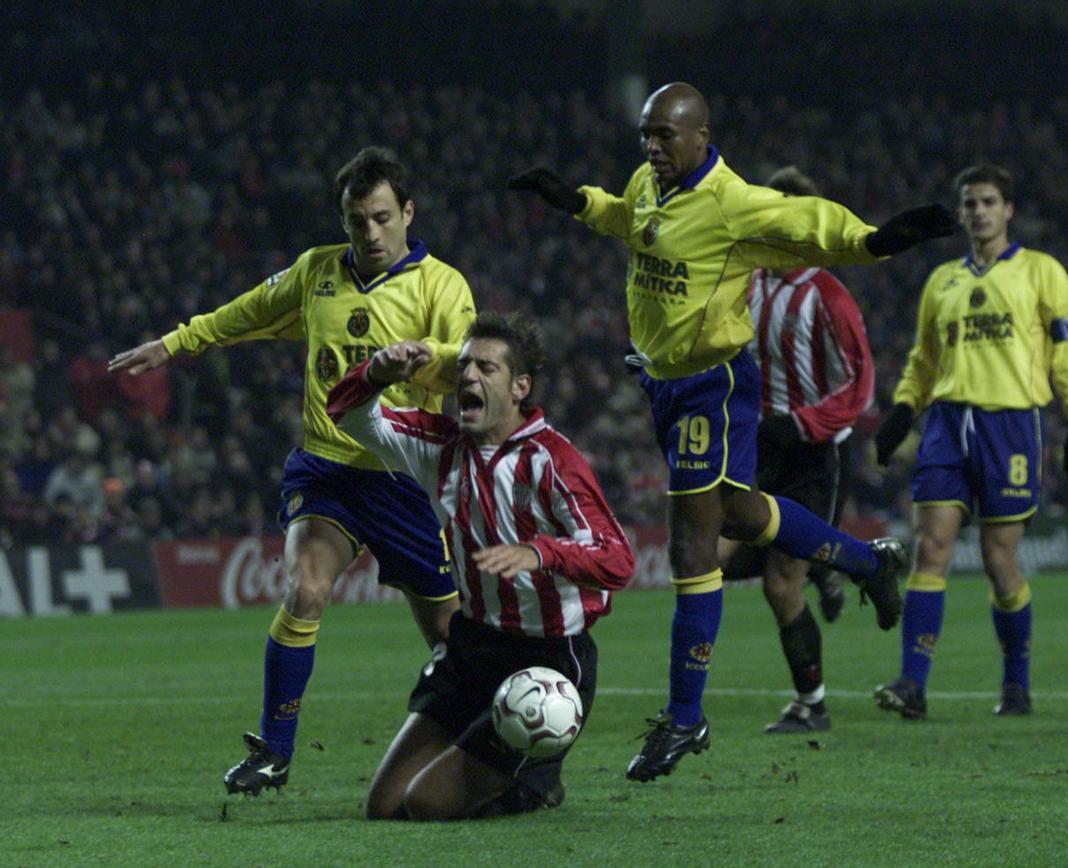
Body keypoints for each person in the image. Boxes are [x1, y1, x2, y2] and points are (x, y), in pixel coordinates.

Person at [508, 81, 955, 781]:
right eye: (646, 136)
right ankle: (868, 562)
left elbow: (811, 223)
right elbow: (630, 221)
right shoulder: (649, 183)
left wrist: (876, 240)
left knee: (693, 549)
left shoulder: (733, 202)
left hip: (711, 387)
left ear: (700, 134)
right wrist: (577, 201)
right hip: (663, 382)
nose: (652, 148)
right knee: (745, 512)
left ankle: (686, 718)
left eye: (664, 137)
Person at [108, 146, 477, 795]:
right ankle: (273, 752)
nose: (369, 233)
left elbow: (467, 364)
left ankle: (500, 750)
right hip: (326, 471)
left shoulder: (441, 285)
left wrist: (421, 358)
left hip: (403, 479)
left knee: (451, 640)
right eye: (357, 220)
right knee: (305, 591)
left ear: (408, 213)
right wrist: (172, 343)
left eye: (382, 217)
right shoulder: (317, 274)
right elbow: (244, 313)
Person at [326, 311, 633, 820]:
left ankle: (535, 782)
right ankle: (500, 758)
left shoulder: (552, 459)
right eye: (464, 365)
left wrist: (540, 552)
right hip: (474, 648)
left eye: (486, 368)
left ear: (519, 387)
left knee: (424, 804)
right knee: (383, 807)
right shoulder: (440, 448)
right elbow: (349, 414)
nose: (467, 376)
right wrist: (376, 374)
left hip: (548, 660)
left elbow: (617, 558)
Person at [872, 163, 1068, 720]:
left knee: (999, 560)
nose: (978, 212)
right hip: (948, 422)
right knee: (931, 549)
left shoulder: (1042, 272)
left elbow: (1067, 351)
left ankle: (1016, 684)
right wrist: (902, 409)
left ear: (1008, 209)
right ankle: (912, 684)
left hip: (1012, 424)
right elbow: (924, 358)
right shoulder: (942, 281)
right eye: (970, 204)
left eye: (989, 202)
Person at [716, 166, 874, 734]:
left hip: (812, 454)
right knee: (705, 560)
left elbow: (859, 385)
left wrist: (800, 425)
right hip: (751, 450)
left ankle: (812, 704)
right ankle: (828, 566)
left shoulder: (828, 295)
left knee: (780, 582)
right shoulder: (746, 283)